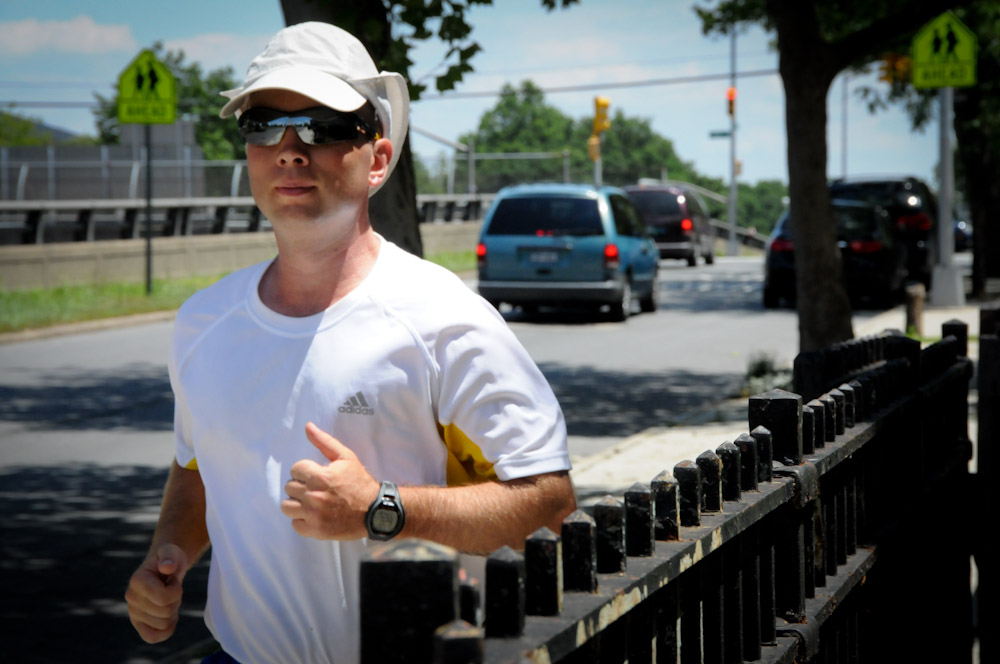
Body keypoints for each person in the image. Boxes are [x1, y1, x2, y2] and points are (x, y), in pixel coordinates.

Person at [124, 21, 576, 664]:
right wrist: (167, 553)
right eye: (263, 126)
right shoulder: (203, 322)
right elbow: (198, 465)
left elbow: (550, 505)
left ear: (378, 159)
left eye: (323, 127)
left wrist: (380, 508)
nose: (288, 150)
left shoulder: (443, 318)